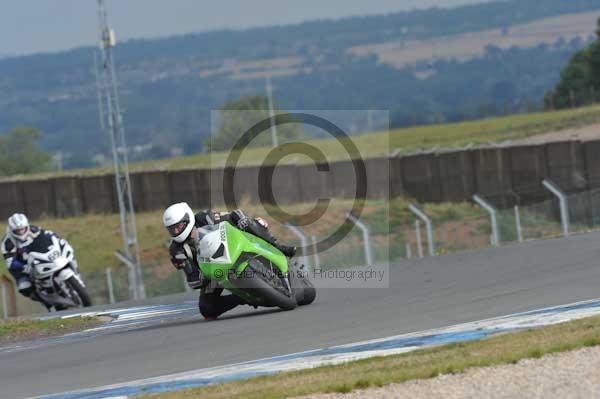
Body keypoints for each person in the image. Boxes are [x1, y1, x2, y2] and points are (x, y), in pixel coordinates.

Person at [162, 202, 296, 320]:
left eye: (178, 226)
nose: (176, 231)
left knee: (252, 223)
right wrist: (196, 278)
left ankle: (279, 247)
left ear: (187, 219)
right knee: (207, 309)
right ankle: (243, 297)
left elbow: (233, 215)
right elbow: (191, 275)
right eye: (172, 229)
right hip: (214, 273)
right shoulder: (176, 251)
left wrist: (241, 220)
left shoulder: (205, 218)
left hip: (232, 247)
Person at [1, 213, 42, 302]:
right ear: (12, 230)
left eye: (22, 229)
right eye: (17, 230)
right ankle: (45, 301)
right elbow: (10, 263)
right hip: (23, 269)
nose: (21, 232)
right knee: (25, 288)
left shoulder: (35, 230)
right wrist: (24, 267)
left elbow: (49, 238)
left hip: (42, 260)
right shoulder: (7, 242)